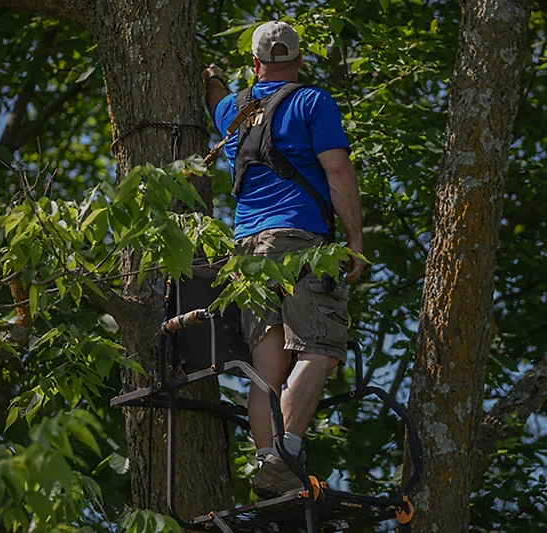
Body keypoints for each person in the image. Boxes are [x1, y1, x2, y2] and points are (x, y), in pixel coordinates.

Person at [201, 21, 365, 498]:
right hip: (300, 246)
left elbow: (215, 98)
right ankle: (281, 458)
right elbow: (336, 168)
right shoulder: (312, 102)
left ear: (256, 64)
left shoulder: (234, 110)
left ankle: (270, 473)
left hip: (247, 255)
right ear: (298, 60)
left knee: (267, 368)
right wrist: (354, 240)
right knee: (322, 349)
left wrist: (212, 77)